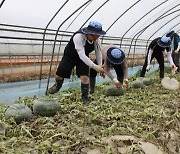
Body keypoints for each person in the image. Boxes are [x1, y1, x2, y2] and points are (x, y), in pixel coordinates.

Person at [48, 21, 106, 104]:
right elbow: (81, 55)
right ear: (88, 33)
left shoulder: (97, 41)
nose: (96, 37)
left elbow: (98, 53)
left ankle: (85, 98)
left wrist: (100, 67)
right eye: (94, 35)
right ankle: (58, 86)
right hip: (70, 57)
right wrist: (95, 67)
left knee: (85, 78)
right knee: (58, 76)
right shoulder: (78, 37)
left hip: (83, 59)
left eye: (98, 35)